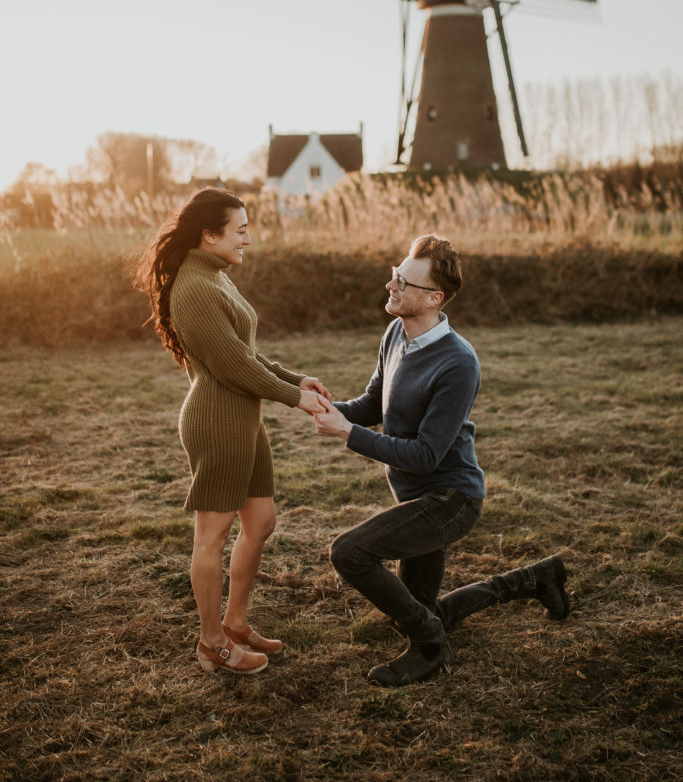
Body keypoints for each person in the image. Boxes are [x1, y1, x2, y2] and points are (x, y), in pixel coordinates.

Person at [313, 233, 569, 688]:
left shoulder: (458, 362)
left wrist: (347, 434)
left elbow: (427, 455)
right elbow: (376, 402)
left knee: (349, 553)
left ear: (434, 298)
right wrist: (322, 407)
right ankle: (536, 578)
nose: (392, 285)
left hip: (451, 498)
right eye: (395, 275)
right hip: (417, 496)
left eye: (404, 282)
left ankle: (431, 646)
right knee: (418, 609)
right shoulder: (396, 333)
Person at [137, 187, 329, 676]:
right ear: (209, 234)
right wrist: (296, 399)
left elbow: (245, 354)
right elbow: (232, 368)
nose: (248, 237)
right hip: (217, 422)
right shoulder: (195, 288)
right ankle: (211, 644)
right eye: (239, 229)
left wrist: (293, 378)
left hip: (243, 418)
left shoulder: (216, 276)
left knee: (260, 522)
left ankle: (237, 622)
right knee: (212, 536)